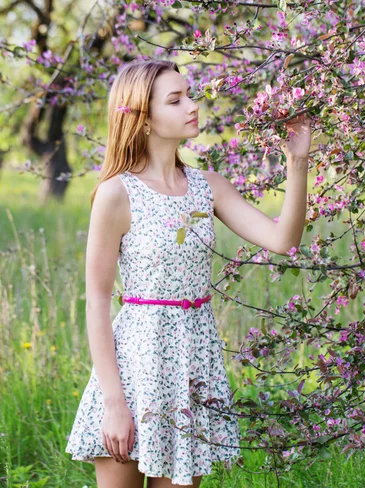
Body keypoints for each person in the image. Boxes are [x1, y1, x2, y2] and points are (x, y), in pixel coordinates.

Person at [65, 59, 312, 488]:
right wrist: (113, 402)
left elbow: (283, 241)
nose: (192, 105)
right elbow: (97, 301)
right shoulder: (116, 194)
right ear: (143, 117)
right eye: (176, 99)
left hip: (192, 366)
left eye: (190, 94)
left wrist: (298, 161)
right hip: (134, 369)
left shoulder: (208, 186)